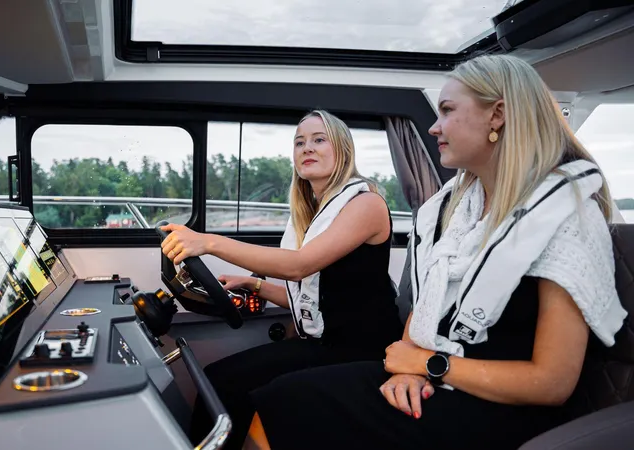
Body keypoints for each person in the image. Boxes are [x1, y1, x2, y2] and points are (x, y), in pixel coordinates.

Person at [244, 55, 628, 450]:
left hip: (501, 410)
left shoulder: (565, 214)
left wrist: (429, 366)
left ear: (496, 115)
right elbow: (428, 305)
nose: (433, 126)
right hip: (439, 377)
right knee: (279, 401)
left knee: (286, 404)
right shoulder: (460, 207)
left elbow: (552, 384)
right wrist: (409, 364)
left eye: (446, 110)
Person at [159, 110, 404, 449]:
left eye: (320, 140)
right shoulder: (314, 211)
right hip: (326, 341)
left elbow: (299, 266)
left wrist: (208, 242)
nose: (307, 148)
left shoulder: (366, 203)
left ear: (343, 149)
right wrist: (253, 284)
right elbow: (312, 297)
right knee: (218, 377)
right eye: (300, 142)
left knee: (227, 385)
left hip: (361, 349)